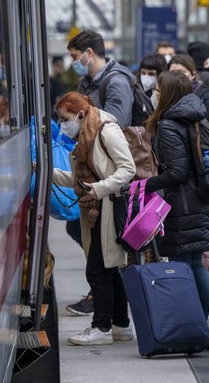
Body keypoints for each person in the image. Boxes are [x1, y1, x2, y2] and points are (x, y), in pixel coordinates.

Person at [144, 71, 209, 348]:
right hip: (199, 200)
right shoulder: (195, 115)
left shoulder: (167, 124)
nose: (154, 93)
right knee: (193, 263)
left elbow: (178, 171)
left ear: (167, 93)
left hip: (183, 204)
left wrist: (147, 184)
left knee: (187, 266)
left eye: (157, 89)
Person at [52, 92, 136, 346]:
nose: (62, 124)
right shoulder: (85, 136)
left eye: (64, 119)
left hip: (109, 206)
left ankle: (101, 327)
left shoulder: (105, 130)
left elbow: (128, 168)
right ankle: (121, 325)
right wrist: (48, 172)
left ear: (80, 114)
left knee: (97, 270)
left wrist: (100, 188)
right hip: (96, 208)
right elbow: (79, 180)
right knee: (109, 270)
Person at [69, 29, 135, 128]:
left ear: (89, 53)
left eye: (75, 56)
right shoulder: (85, 82)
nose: (73, 62)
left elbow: (114, 128)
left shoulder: (117, 83)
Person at [167, 55, 209, 127]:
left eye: (181, 73)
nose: (176, 77)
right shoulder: (165, 95)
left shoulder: (208, 99)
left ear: (193, 75)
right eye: (172, 72)